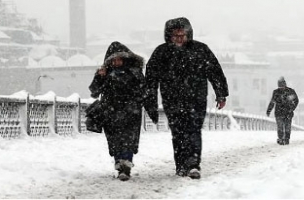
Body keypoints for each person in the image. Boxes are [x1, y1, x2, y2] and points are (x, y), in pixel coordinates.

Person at [144, 17, 229, 179]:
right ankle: (181, 165)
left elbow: (215, 72)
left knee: (193, 130)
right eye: (176, 36)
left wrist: (221, 93)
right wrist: (150, 102)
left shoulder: (200, 50)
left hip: (196, 99)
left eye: (182, 35)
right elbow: (150, 79)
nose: (179, 39)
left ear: (188, 34)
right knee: (178, 132)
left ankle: (193, 164)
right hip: (172, 100)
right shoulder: (161, 53)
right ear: (169, 36)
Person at [89, 41, 158, 181]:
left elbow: (145, 92)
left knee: (128, 140)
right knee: (114, 141)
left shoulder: (135, 73)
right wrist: (99, 77)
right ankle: (119, 164)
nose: (117, 62)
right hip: (111, 113)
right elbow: (95, 92)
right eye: (113, 60)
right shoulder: (106, 74)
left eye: (119, 59)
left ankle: (125, 166)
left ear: (126, 58)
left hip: (130, 113)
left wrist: (149, 109)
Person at [266, 77, 299, 145]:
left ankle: (286, 139)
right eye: (280, 86)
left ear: (285, 84)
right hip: (279, 113)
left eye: (282, 86)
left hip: (288, 112)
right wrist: (269, 110)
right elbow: (272, 102)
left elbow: (296, 100)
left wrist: (292, 108)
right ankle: (281, 139)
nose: (281, 88)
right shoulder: (276, 92)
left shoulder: (290, 91)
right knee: (280, 126)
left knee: (287, 126)